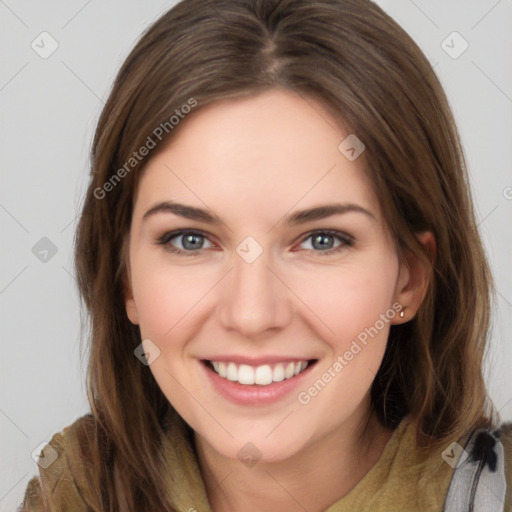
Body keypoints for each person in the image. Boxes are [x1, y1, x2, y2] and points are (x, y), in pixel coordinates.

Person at [20, 0, 511, 510]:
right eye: (190, 239)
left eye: (322, 240)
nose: (252, 315)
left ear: (408, 278)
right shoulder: (69, 495)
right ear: (125, 279)